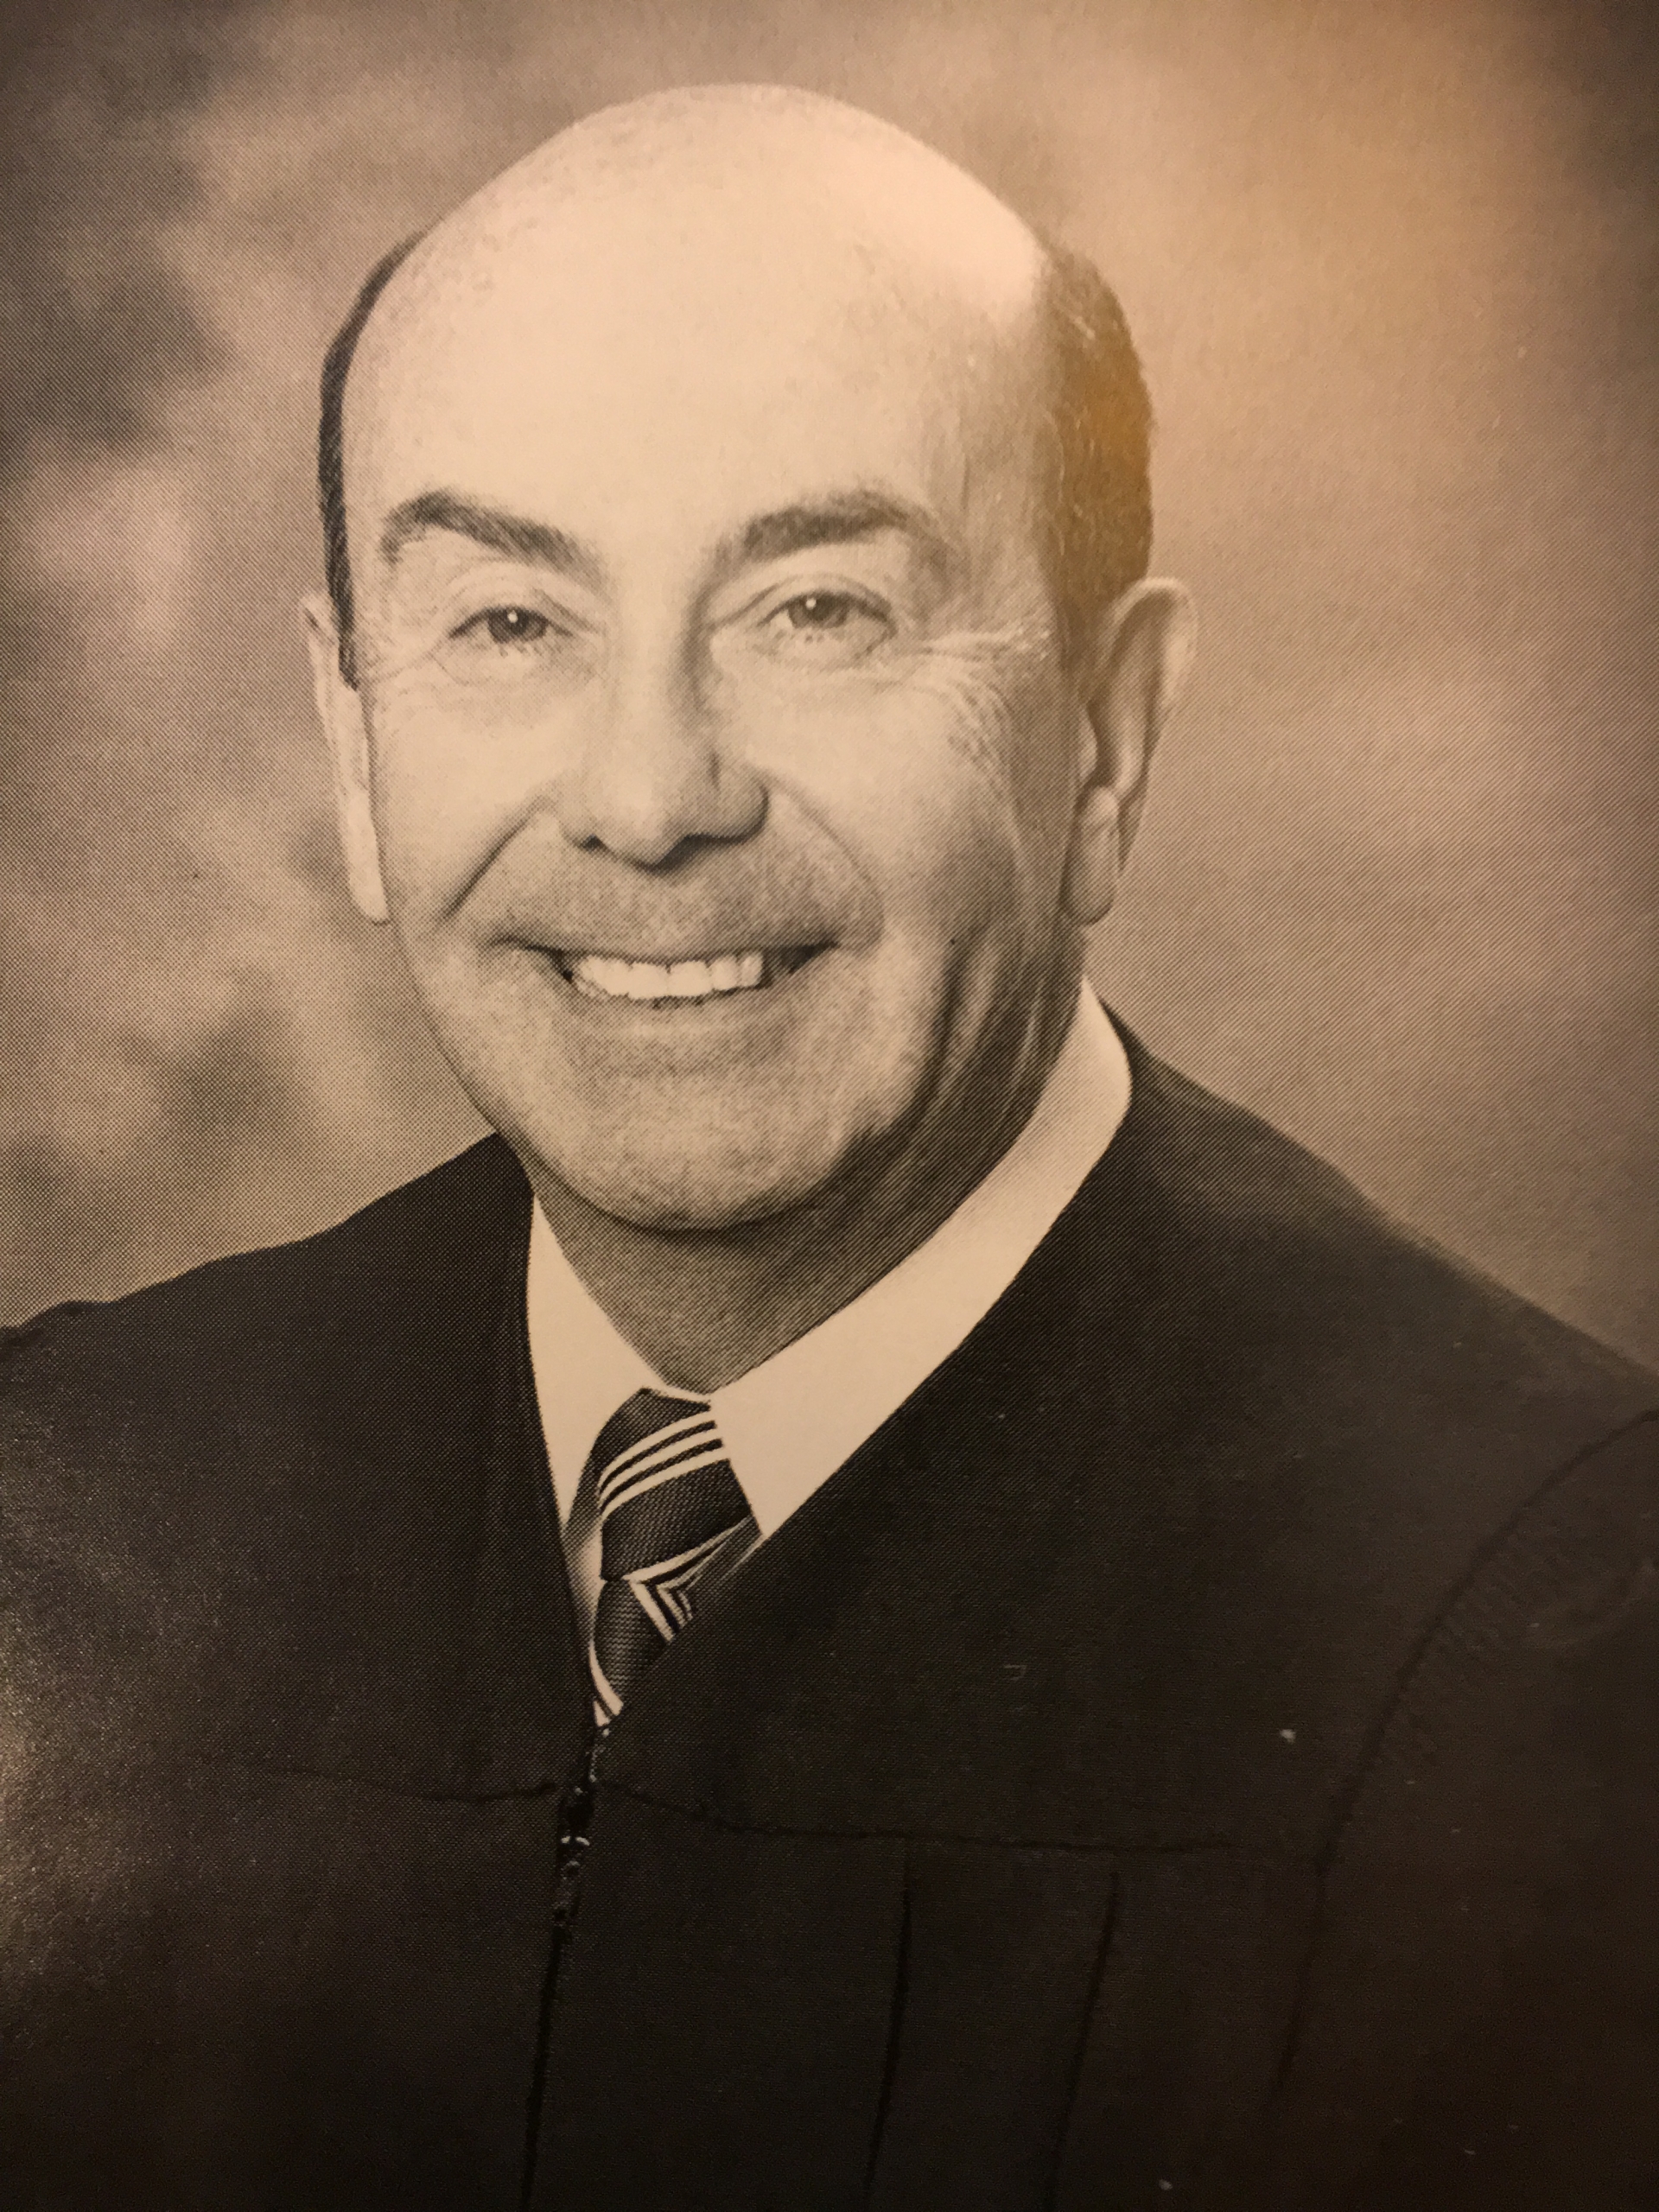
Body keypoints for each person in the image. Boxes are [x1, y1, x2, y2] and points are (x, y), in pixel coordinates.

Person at [1, 84, 1654, 2212]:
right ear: (352, 741)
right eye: (509, 621)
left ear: (1107, 735)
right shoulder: (76, 1516)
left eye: (818, 612)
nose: (650, 799)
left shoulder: (1541, 1632)